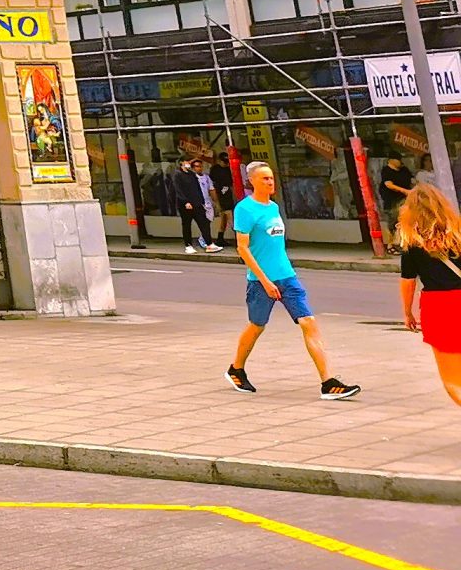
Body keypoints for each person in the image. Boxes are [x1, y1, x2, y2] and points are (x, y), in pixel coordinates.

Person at [228, 160, 359, 398]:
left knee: (309, 322)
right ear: (253, 181)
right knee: (257, 326)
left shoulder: (273, 207)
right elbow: (243, 248)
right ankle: (236, 369)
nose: (270, 182)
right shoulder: (245, 209)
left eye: (271, 177)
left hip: (287, 277)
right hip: (260, 282)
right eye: (265, 178)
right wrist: (266, 282)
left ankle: (328, 383)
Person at [395, 179, 461, 408]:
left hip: (440, 307)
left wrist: (407, 313)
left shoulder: (412, 243)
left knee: (453, 379)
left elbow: (408, 282)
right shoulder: (458, 232)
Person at [177, 158, 218, 252]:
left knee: (204, 223)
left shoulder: (193, 175)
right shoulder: (179, 175)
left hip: (198, 203)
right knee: (187, 225)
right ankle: (188, 245)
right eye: (186, 162)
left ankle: (209, 243)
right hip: (186, 205)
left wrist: (202, 201)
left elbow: (201, 189)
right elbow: (178, 190)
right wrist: (185, 202)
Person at [379, 152, 418, 228]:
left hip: (406, 201)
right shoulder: (386, 170)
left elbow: (412, 181)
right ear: (391, 160)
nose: (400, 161)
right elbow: (389, 185)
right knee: (394, 223)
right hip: (392, 202)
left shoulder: (404, 170)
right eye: (398, 159)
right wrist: (405, 191)